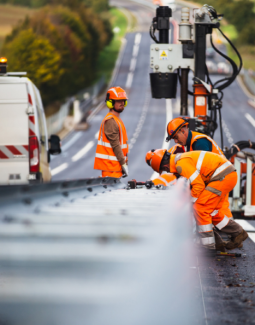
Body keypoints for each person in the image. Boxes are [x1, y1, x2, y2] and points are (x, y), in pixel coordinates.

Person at [145, 149, 248, 251]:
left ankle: (208, 246)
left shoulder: (181, 165)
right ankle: (237, 233)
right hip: (225, 175)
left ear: (165, 166)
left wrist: (190, 202)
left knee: (200, 208)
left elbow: (198, 185)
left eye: (164, 170)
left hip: (223, 176)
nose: (167, 171)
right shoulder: (180, 159)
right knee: (211, 212)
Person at [166, 117, 233, 223]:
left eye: (176, 137)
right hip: (217, 178)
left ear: (183, 131)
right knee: (212, 210)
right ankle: (230, 234)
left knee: (213, 209)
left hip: (220, 178)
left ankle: (231, 235)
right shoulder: (190, 143)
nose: (175, 141)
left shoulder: (199, 142)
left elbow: (201, 172)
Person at [94, 87, 128, 178]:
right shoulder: (110, 121)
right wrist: (123, 164)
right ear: (111, 103)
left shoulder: (117, 119)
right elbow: (115, 145)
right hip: (111, 170)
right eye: (119, 101)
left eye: (123, 100)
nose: (122, 103)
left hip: (115, 168)